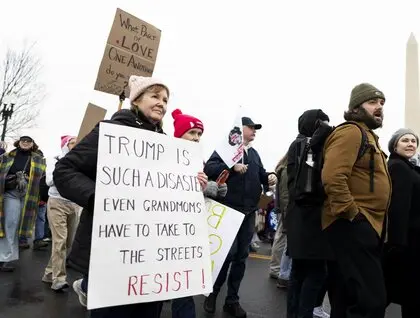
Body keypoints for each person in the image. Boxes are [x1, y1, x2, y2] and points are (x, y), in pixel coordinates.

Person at [53, 76, 171, 317]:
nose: (162, 103)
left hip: (149, 255)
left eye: (166, 99)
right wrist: (99, 197)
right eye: (155, 96)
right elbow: (64, 171)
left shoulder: (167, 145)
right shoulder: (111, 131)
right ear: (136, 100)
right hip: (111, 250)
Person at [322, 83, 391, 318]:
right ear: (356, 108)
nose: (379, 107)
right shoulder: (351, 132)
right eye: (373, 103)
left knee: (346, 297)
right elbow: (332, 176)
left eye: (382, 103)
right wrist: (352, 213)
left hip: (362, 224)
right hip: (352, 223)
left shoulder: (370, 136)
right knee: (371, 301)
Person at [203, 117, 277, 318]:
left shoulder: (253, 153)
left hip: (248, 212)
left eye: (255, 128)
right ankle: (212, 294)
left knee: (241, 258)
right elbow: (210, 167)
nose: (254, 131)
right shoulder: (227, 149)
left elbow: (261, 174)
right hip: (229, 210)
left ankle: (232, 300)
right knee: (225, 256)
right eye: (251, 127)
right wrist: (230, 166)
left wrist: (269, 176)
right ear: (240, 129)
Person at [170, 108, 227, 318]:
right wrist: (204, 188)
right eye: (192, 133)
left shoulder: (198, 160)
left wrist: (215, 188)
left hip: (188, 230)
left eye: (199, 134)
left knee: (185, 287)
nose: (196, 138)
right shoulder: (164, 155)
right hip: (165, 231)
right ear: (179, 133)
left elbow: (198, 189)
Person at [286, 109, 332, 318]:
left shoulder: (298, 144)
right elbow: (308, 183)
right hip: (309, 217)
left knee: (299, 272)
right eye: (322, 123)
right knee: (316, 273)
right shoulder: (307, 145)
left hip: (299, 217)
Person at [384, 128, 420, 317]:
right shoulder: (399, 167)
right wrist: (398, 243)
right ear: (394, 145)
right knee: (410, 293)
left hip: (409, 239)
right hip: (408, 241)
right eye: (405, 140)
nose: (410, 144)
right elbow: (399, 207)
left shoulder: (406, 166)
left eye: (413, 141)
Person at [0, 135, 46, 271]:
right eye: (23, 141)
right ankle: (4, 258)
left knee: (20, 226)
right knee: (10, 224)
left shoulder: (38, 159)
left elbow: (42, 178)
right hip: (11, 194)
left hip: (28, 196)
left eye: (28, 141)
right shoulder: (7, 157)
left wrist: (43, 196)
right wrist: (14, 177)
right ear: (18, 143)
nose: (25, 143)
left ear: (33, 144)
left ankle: (8, 256)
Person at [42, 135, 80, 291]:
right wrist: (66, 169)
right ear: (65, 145)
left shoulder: (81, 161)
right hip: (57, 202)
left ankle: (48, 273)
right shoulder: (55, 159)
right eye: (72, 143)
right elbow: (49, 181)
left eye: (77, 142)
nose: (75, 145)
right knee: (60, 241)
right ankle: (58, 279)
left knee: (68, 242)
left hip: (75, 203)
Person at [268, 154, 288, 282]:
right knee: (281, 238)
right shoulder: (286, 170)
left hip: (282, 207)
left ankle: (276, 268)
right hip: (286, 208)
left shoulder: (281, 168)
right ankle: (276, 268)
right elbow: (286, 194)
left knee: (280, 237)